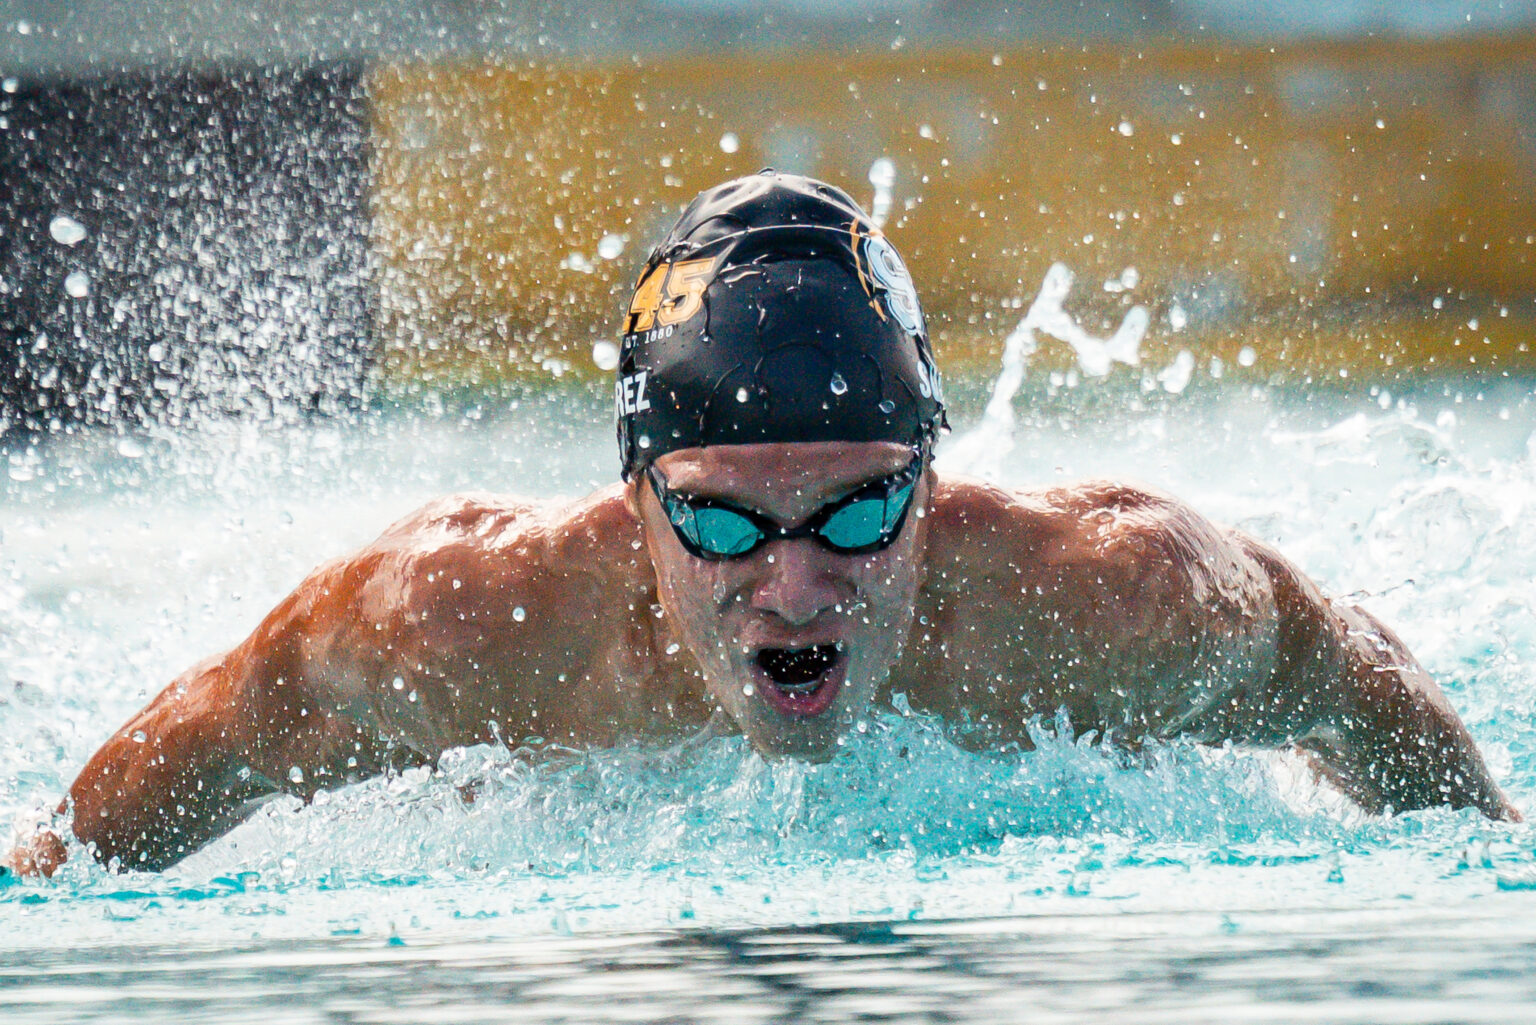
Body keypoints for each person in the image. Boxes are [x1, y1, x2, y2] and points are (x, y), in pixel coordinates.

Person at [5, 171, 1518, 876]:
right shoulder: (459, 622)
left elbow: (1341, 668)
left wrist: (1494, 861)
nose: (797, 587)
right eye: (725, 528)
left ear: (935, 485)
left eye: (860, 509)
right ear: (635, 506)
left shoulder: (1116, 596)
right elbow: (212, 734)